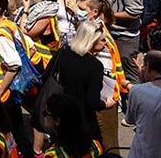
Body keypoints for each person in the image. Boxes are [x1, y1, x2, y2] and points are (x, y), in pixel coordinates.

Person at [0, 0, 39, 157]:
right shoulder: (9, 24)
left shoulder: (1, 35)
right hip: (9, 93)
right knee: (17, 128)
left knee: (4, 131)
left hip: (2, 95)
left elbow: (13, 65)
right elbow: (30, 45)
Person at [40, 20, 111, 149]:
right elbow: (93, 100)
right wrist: (106, 104)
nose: (106, 43)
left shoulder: (63, 52)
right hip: (81, 118)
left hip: (60, 113)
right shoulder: (95, 66)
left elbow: (46, 76)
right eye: (102, 40)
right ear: (92, 41)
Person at [102, 0, 143, 85]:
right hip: (111, 33)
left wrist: (110, 15)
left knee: (129, 73)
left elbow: (134, 12)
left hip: (126, 37)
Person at [40, 93, 101, 158]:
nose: (43, 113)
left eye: (46, 112)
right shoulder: (96, 147)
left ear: (57, 121)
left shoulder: (52, 155)